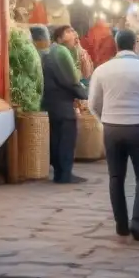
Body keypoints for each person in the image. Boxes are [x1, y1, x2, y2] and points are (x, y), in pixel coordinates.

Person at [88, 28, 139, 242]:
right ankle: (138, 221)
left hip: (112, 128)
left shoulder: (102, 70)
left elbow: (93, 103)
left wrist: (105, 119)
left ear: (116, 44)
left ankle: (121, 224)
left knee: (116, 177)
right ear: (135, 45)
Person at [41, 25, 88, 184]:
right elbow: (72, 79)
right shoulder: (61, 51)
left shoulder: (52, 51)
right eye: (68, 32)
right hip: (62, 103)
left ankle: (60, 173)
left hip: (51, 102)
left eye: (74, 31)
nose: (74, 34)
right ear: (59, 38)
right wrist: (83, 94)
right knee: (66, 139)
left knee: (57, 138)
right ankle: (65, 174)